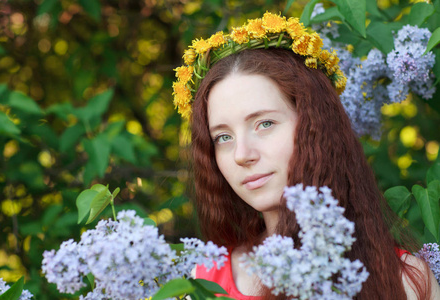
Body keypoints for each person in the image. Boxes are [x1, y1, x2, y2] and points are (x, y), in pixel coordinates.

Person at [172, 12, 440, 299]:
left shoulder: (407, 282)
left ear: (316, 126)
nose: (241, 154)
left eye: (265, 124)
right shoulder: (203, 279)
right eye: (223, 137)